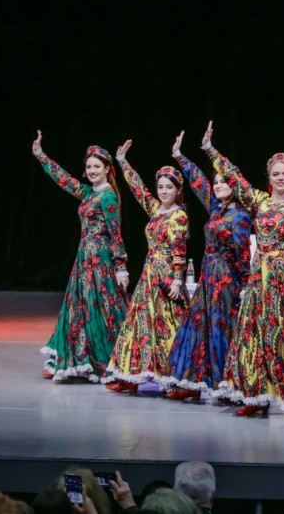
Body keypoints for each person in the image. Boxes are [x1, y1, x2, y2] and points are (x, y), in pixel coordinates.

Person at [202, 122, 284, 416]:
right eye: (275, 174)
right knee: (253, 332)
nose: (280, 178)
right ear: (269, 177)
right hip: (258, 275)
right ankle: (255, 395)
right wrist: (210, 150)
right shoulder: (259, 201)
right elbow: (234, 177)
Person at [32, 131, 130, 382]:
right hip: (83, 259)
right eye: (89, 167)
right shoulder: (89, 193)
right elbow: (64, 179)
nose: (92, 170)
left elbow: (115, 233)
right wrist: (41, 155)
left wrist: (121, 267)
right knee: (78, 308)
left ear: (107, 169)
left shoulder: (108, 196)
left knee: (101, 308)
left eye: (97, 166)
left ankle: (110, 360)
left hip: (101, 260)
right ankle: (74, 359)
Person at [163, 132, 252, 402]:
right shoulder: (215, 208)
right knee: (196, 327)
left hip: (226, 280)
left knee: (220, 330)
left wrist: (245, 285)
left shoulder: (240, 216)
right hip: (207, 277)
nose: (218, 185)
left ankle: (227, 385)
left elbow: (244, 254)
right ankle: (192, 381)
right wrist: (179, 157)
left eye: (224, 180)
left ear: (234, 183)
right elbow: (198, 180)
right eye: (216, 182)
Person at [104, 140, 189, 394]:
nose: (163, 191)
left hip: (166, 276)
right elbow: (138, 188)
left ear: (177, 190)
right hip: (149, 273)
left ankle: (175, 377)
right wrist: (122, 162)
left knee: (167, 325)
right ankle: (131, 376)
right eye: (160, 187)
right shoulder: (156, 210)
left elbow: (179, 249)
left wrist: (177, 279)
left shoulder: (178, 215)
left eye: (169, 187)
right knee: (139, 323)